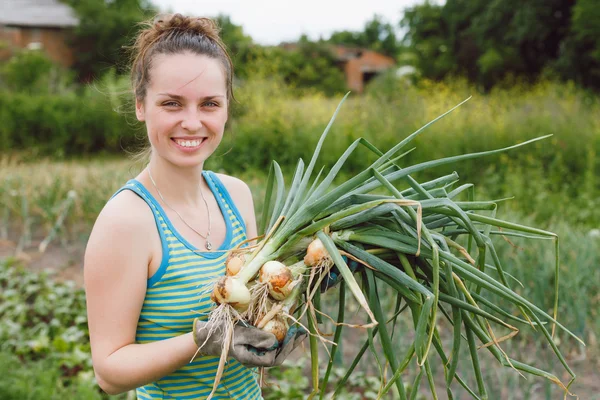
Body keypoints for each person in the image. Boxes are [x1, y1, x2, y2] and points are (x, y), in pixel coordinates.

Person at [84, 13, 305, 399]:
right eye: (172, 103)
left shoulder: (236, 196)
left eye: (209, 104)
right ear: (140, 106)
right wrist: (204, 339)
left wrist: (303, 284)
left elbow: (250, 311)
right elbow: (109, 371)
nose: (191, 122)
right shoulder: (128, 220)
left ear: (225, 109)